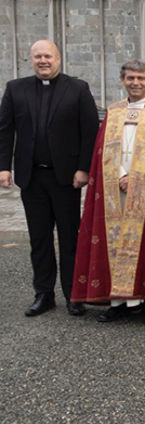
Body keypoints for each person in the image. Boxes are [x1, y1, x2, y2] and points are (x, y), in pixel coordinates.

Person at [70, 60, 145, 324]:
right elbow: (102, 150)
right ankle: (118, 302)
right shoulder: (113, 112)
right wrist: (120, 175)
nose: (135, 83)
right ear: (122, 80)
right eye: (130, 78)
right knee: (112, 240)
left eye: (141, 78)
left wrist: (138, 176)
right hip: (114, 186)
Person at [0, 40, 98, 317]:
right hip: (32, 177)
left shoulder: (77, 89)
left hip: (66, 178)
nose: (43, 60)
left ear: (59, 58)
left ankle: (73, 294)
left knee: (70, 238)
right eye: (38, 56)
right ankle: (43, 294)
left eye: (48, 56)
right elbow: (5, 129)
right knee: (39, 238)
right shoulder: (15, 89)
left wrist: (84, 169)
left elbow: (90, 130)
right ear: (31, 59)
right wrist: (3, 167)